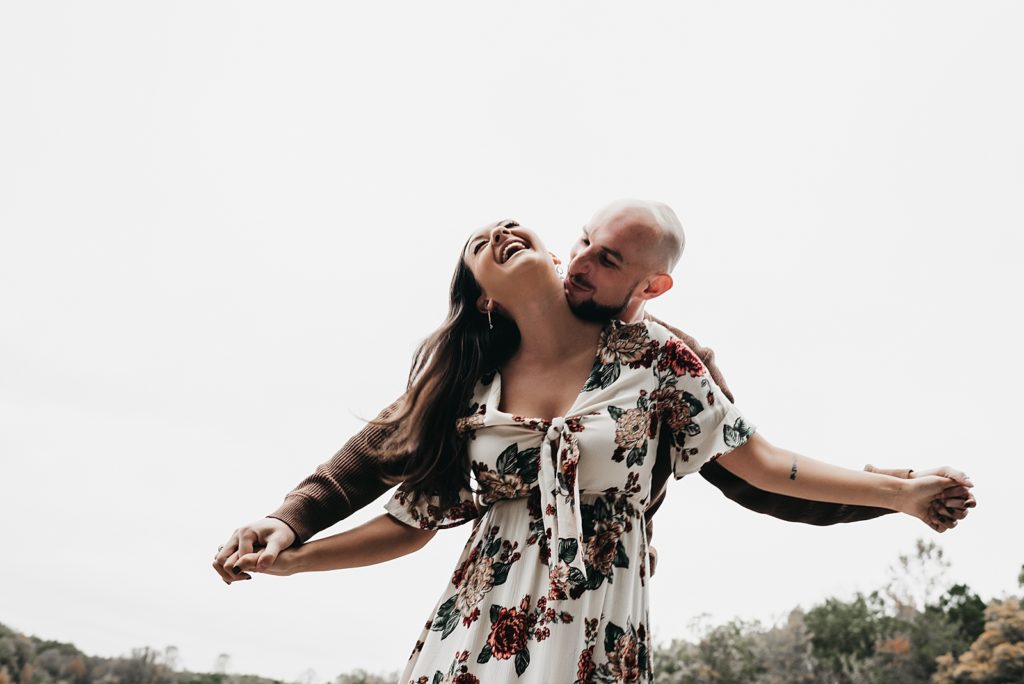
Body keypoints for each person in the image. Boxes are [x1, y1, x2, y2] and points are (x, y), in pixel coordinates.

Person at [218, 219, 973, 682]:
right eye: (483, 241)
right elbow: (388, 493)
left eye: (600, 255)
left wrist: (894, 493)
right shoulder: (469, 390)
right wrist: (289, 540)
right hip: (479, 622)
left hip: (597, 621)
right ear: (484, 294)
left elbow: (760, 472)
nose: (509, 231)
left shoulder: (663, 361)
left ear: (646, 283)